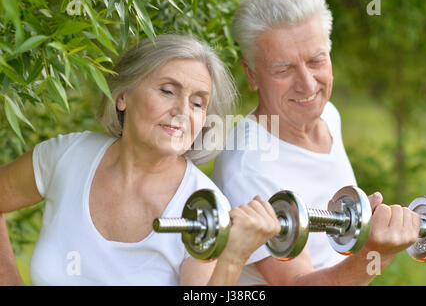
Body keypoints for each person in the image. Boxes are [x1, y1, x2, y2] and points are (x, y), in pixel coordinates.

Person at [0, 34, 281, 285]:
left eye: (197, 103)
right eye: (167, 91)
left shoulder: (204, 207)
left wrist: (232, 258)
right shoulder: (67, 156)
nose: (182, 111)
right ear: (123, 96)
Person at [212, 0, 421, 285]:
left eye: (316, 61)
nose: (308, 86)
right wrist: (377, 254)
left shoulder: (328, 114)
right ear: (252, 75)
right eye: (284, 69)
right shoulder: (249, 168)